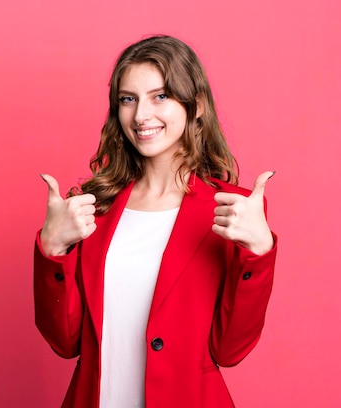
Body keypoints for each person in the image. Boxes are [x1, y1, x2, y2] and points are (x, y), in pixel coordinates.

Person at [33, 35, 277, 408]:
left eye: (160, 96)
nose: (141, 115)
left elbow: (229, 350)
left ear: (194, 106)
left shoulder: (232, 210)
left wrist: (258, 254)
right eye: (128, 99)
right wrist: (52, 250)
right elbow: (65, 342)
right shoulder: (93, 209)